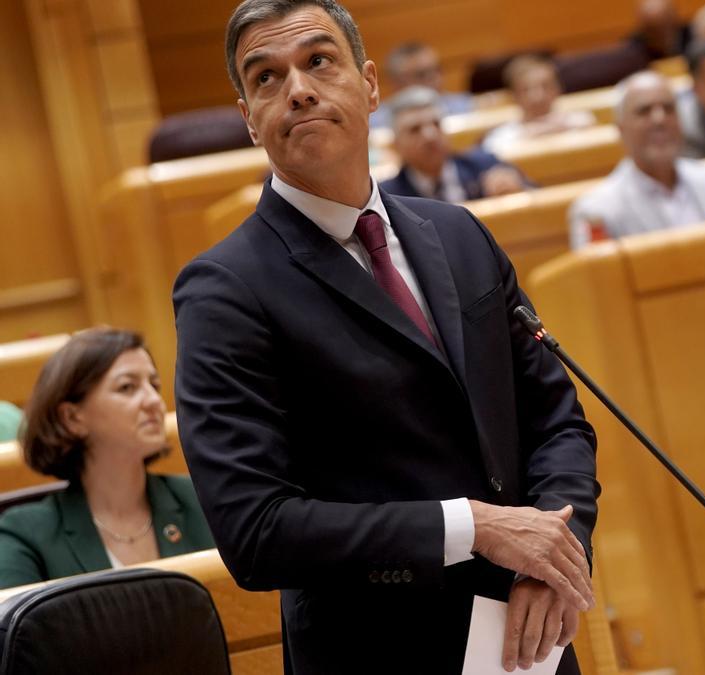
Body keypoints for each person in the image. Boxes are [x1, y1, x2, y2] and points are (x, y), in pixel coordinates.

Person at [174, 2, 599, 673]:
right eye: (266, 78)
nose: (299, 88)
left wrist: (556, 548)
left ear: (370, 84)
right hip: (376, 651)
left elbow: (556, 419)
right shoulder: (224, 290)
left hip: (526, 637)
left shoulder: (459, 233)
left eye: (318, 61)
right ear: (250, 119)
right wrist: (476, 526)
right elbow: (256, 530)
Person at [0, 328, 213, 589]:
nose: (153, 400)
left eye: (154, 385)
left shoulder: (203, 500)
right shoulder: (25, 533)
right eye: (127, 387)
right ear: (72, 418)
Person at [569, 71, 705, 248]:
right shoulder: (598, 212)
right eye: (644, 111)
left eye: (668, 109)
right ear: (621, 129)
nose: (659, 119)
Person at [379, 86, 529, 202]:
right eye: (415, 129)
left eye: (436, 124)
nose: (430, 136)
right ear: (396, 145)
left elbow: (535, 192)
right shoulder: (388, 197)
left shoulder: (486, 165)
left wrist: (517, 188)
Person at [481, 56, 597, 155]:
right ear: (514, 96)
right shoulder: (502, 137)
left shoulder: (579, 120)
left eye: (545, 86)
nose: (537, 96)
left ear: (558, 89)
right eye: (526, 90)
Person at [368, 41, 471, 128]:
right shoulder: (375, 124)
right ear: (397, 83)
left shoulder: (466, 107)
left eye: (437, 70)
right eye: (421, 75)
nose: (434, 78)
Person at [627, 0, 693, 61]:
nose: (662, 34)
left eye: (666, 24)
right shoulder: (635, 48)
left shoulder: (692, 36)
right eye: (653, 30)